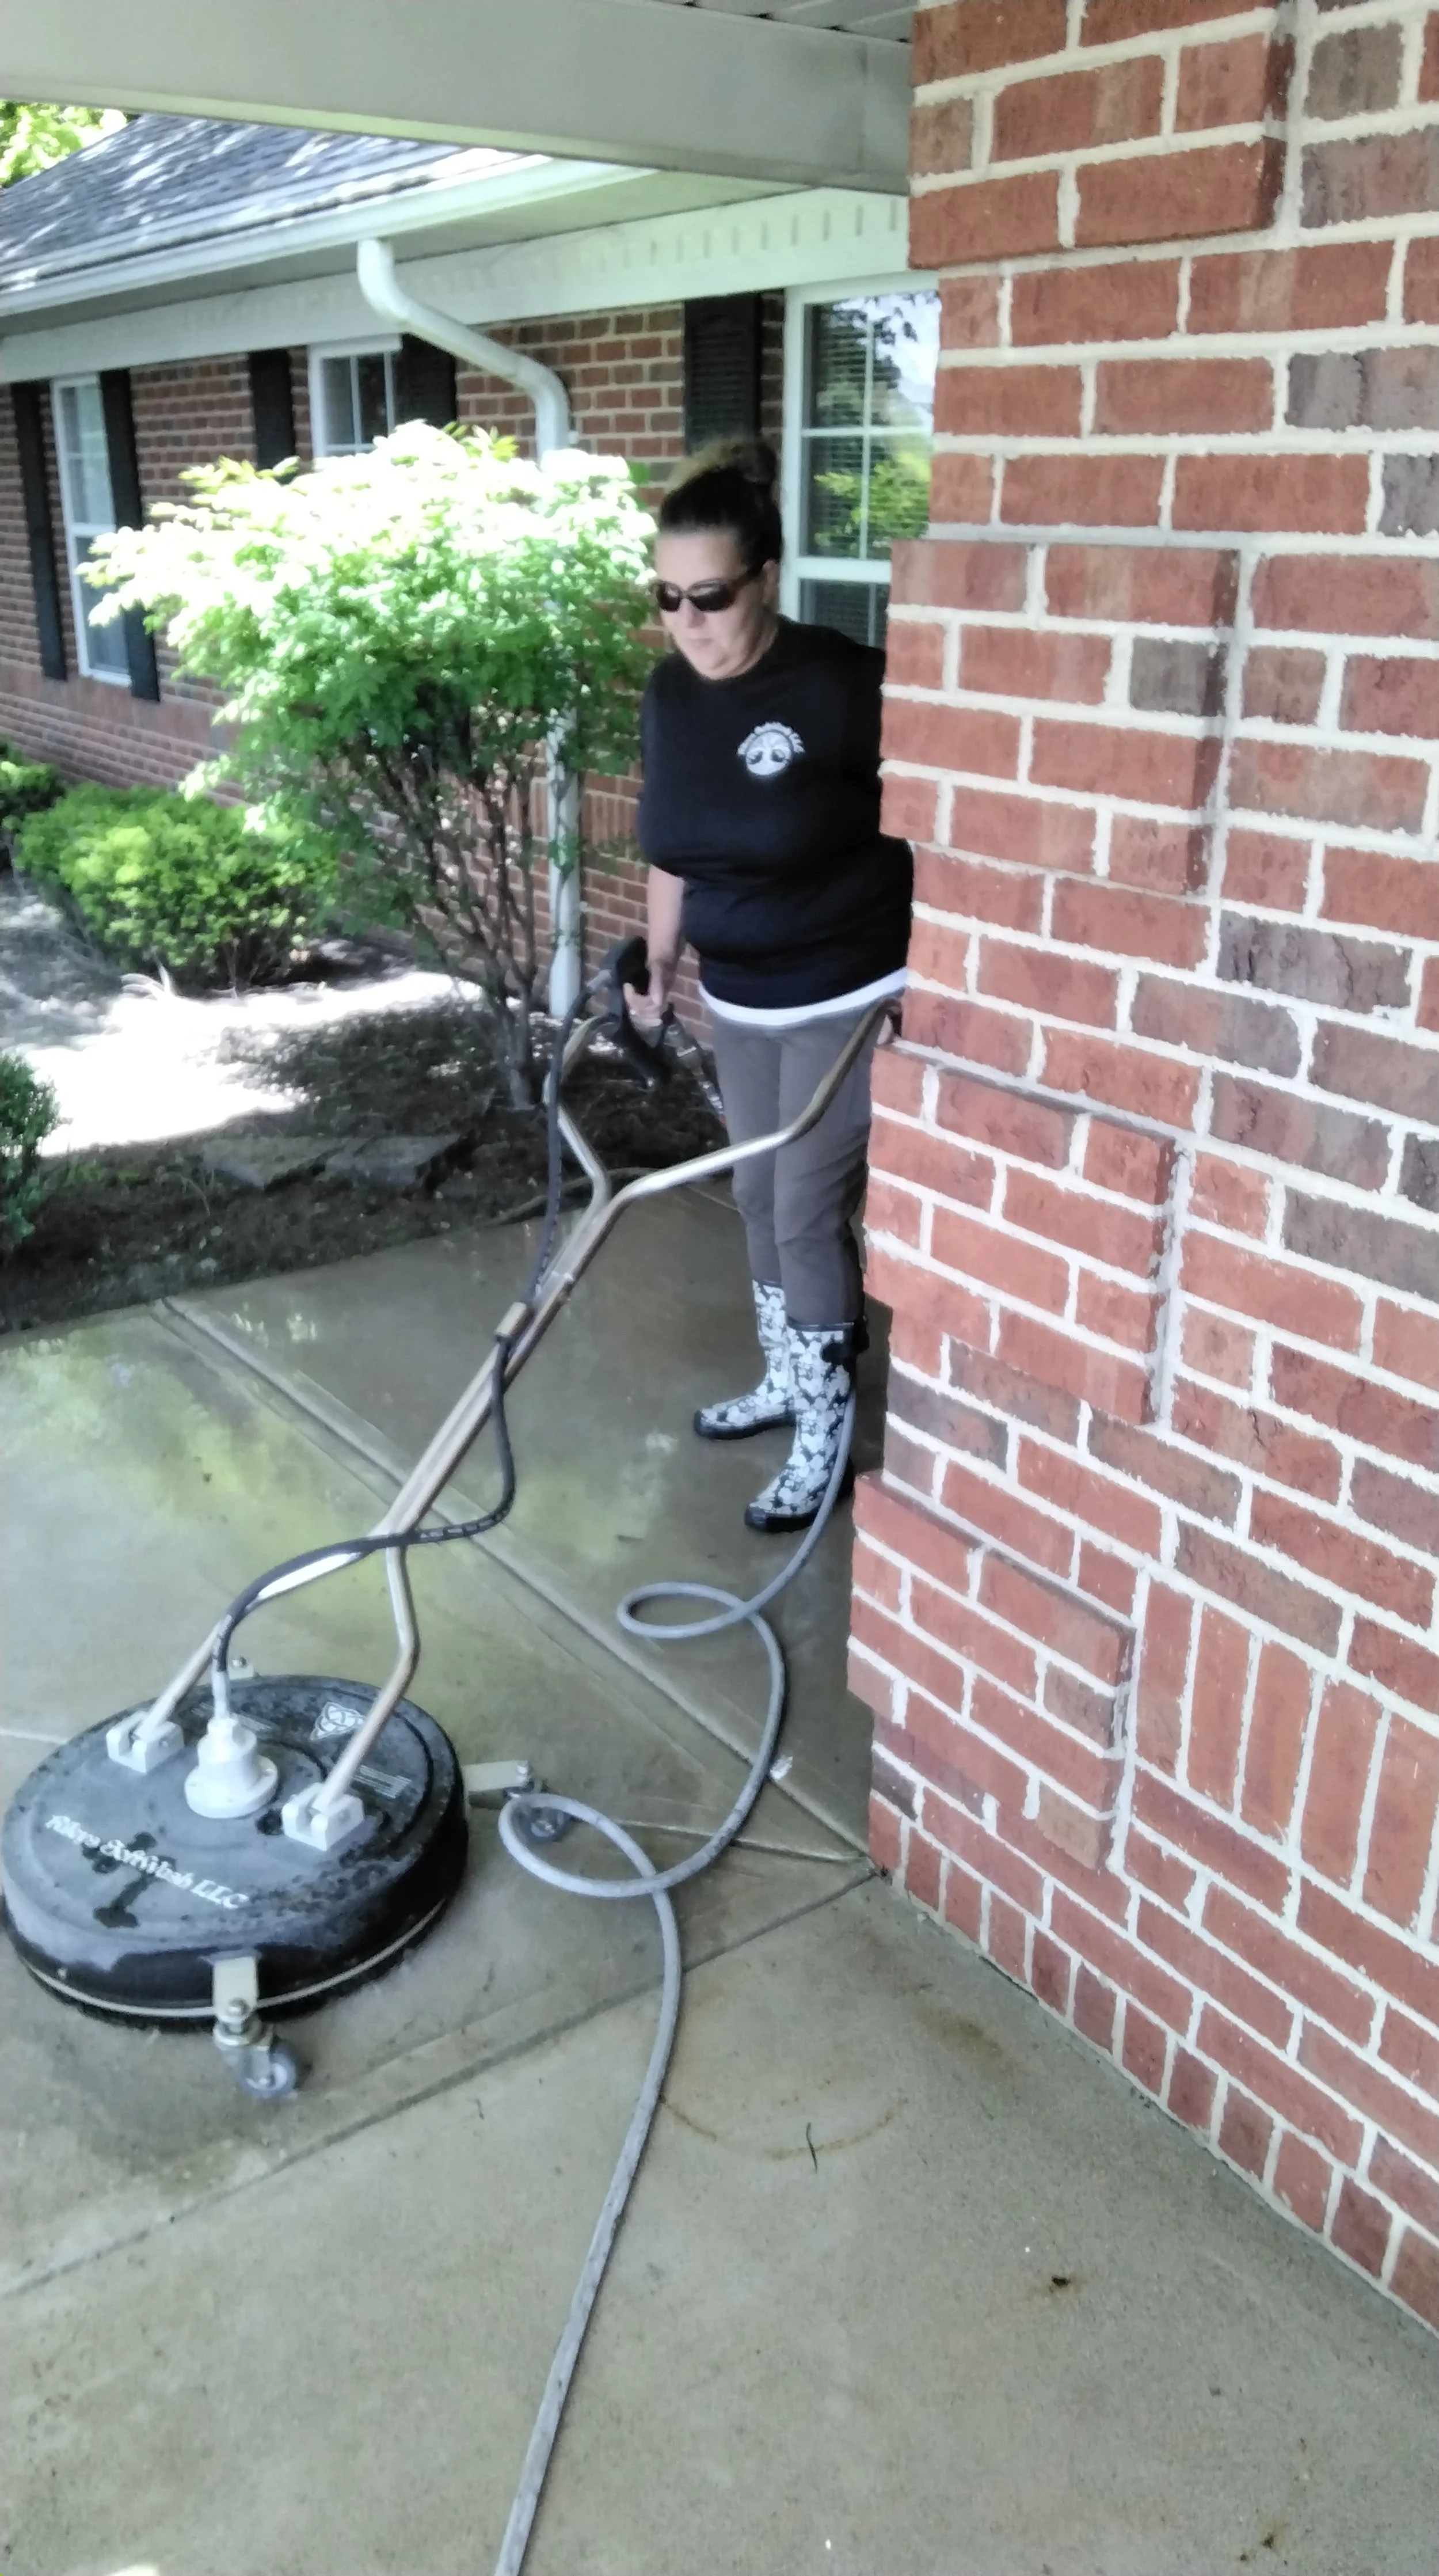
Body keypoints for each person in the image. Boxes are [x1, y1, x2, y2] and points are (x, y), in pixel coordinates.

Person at [630, 437, 913, 1534]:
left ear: (766, 581)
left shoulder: (844, 686)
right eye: (666, 597)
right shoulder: (669, 693)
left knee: (803, 1211)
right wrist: (659, 959)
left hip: (848, 989)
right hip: (736, 994)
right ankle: (787, 1379)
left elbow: (947, 823)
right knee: (755, 1194)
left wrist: (930, 977)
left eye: (709, 596)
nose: (686, 621)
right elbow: (671, 844)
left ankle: (825, 1430)